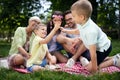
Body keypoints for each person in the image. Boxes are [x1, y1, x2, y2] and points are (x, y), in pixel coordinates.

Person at [60, 0, 112, 73]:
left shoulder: (91, 31)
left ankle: (113, 61)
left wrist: (93, 71)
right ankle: (107, 60)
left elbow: (93, 55)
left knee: (89, 69)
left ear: (81, 17)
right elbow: (77, 31)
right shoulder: (82, 22)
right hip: (96, 45)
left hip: (103, 48)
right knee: (91, 64)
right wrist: (66, 31)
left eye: (74, 16)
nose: (73, 18)